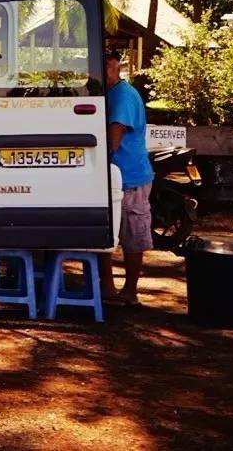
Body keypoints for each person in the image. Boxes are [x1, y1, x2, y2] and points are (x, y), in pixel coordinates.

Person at [98, 48, 155, 306]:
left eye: (108, 65)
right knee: (105, 232)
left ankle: (130, 291)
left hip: (130, 176)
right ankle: (108, 287)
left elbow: (114, 139)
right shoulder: (108, 94)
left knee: (132, 235)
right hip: (111, 176)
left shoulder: (123, 96)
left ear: (115, 66)